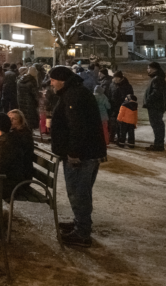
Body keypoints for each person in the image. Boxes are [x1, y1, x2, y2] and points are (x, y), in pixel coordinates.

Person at [48, 65, 107, 247]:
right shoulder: (73, 93)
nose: (51, 84)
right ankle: (79, 223)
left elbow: (77, 127)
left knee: (78, 192)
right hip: (86, 152)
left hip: (81, 155)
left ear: (62, 81)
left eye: (53, 80)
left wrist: (73, 153)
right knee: (79, 191)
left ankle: (82, 232)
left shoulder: (73, 95)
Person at [143, 61, 166, 152]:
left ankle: (159, 145)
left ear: (154, 69)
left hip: (155, 106)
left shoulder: (158, 79)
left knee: (157, 126)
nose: (147, 70)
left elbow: (156, 93)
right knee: (157, 125)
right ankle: (158, 143)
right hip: (156, 106)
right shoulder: (157, 78)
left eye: (148, 68)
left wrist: (148, 100)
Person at [7, 110, 34, 180]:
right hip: (18, 170)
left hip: (23, 173)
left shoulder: (23, 135)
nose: (10, 121)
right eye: (9, 118)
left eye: (14, 119)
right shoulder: (13, 132)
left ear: (20, 121)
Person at [109, 71, 134, 144]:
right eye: (114, 78)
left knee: (121, 124)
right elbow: (109, 94)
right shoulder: (112, 85)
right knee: (113, 123)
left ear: (121, 78)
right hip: (113, 107)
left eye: (117, 78)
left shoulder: (127, 86)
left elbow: (130, 97)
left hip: (123, 107)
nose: (115, 79)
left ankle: (120, 138)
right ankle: (112, 137)